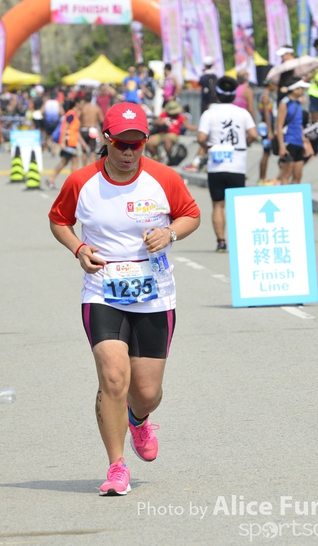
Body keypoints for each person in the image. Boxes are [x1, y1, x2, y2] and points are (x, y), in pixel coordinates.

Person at [48, 103, 201, 496]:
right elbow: (59, 220)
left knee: (146, 392)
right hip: (103, 289)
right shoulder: (81, 181)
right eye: (121, 144)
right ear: (107, 140)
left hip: (154, 292)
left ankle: (139, 419)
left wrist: (170, 233)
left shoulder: (164, 178)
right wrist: (79, 248)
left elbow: (190, 214)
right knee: (114, 378)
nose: (129, 152)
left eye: (137, 144)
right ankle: (116, 466)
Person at [198, 76, 257, 252]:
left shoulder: (209, 113)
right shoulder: (243, 113)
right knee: (237, 205)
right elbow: (254, 134)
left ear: (216, 94)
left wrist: (207, 147)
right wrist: (245, 143)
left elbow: (201, 137)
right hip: (237, 164)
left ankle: (221, 242)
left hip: (216, 164)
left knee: (218, 204)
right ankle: (240, 241)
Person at [45, 97, 88, 190]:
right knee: (74, 161)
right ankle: (73, 183)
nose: (83, 106)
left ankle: (51, 179)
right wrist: (62, 142)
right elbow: (64, 127)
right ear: (77, 104)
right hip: (68, 142)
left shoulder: (75, 114)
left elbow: (76, 131)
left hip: (72, 142)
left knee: (65, 162)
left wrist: (83, 143)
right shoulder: (71, 114)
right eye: (82, 104)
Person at [276, 78, 312, 185]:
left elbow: (299, 124)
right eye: (301, 88)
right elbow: (279, 126)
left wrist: (304, 142)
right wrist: (282, 147)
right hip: (289, 141)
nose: (303, 91)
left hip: (298, 142)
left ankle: (293, 195)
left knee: (298, 175)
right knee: (286, 175)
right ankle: (284, 195)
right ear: (294, 90)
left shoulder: (297, 103)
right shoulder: (284, 103)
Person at [257, 78, 277, 185]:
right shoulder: (265, 96)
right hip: (266, 127)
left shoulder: (265, 94)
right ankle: (262, 178)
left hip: (266, 126)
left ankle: (262, 177)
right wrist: (270, 130)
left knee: (267, 153)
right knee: (266, 152)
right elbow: (266, 114)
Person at [79, 92, 104, 164]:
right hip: (93, 130)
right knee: (93, 151)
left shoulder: (82, 108)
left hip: (83, 129)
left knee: (84, 151)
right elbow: (102, 120)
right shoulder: (96, 108)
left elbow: (78, 118)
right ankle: (92, 168)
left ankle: (84, 167)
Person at [41, 90, 64, 155]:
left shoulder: (46, 102)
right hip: (55, 122)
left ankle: (48, 145)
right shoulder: (57, 103)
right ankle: (54, 151)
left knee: (48, 136)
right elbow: (62, 113)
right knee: (54, 136)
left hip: (48, 122)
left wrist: (45, 117)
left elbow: (41, 112)